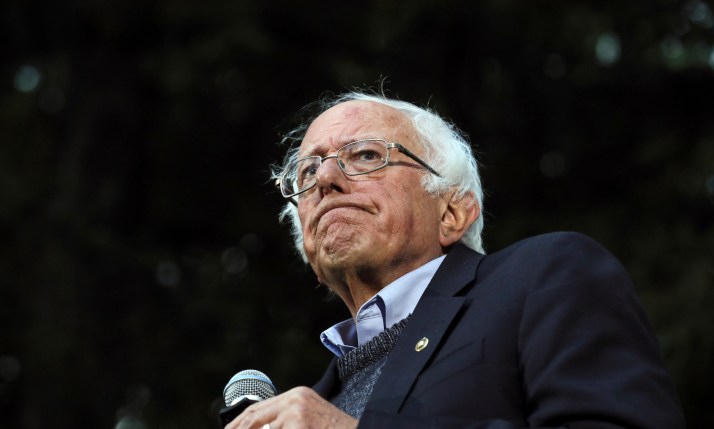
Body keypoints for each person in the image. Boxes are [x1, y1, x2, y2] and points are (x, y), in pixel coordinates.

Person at [225, 92, 685, 428]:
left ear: (452, 212)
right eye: (307, 170)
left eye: (365, 155)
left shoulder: (545, 276)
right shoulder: (322, 395)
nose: (325, 178)